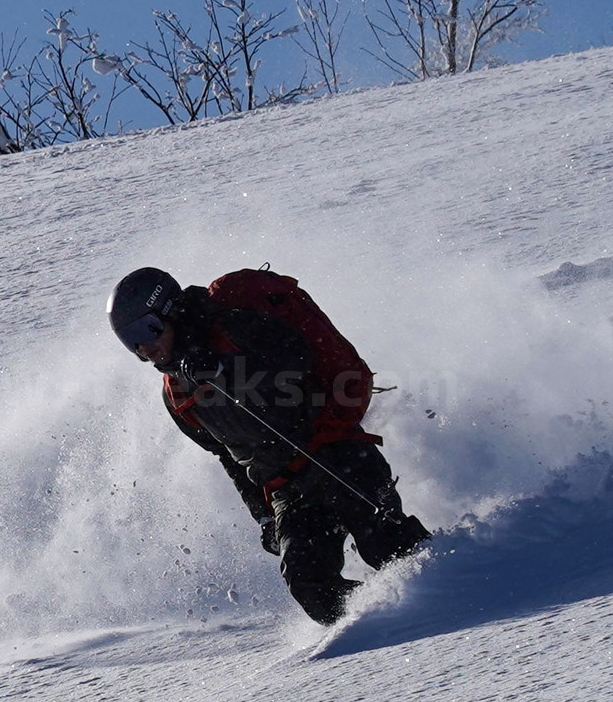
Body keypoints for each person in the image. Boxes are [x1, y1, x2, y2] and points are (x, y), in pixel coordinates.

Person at [107, 266, 429, 625]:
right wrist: (262, 515)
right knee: (309, 585)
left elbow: (295, 357)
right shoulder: (177, 396)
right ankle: (386, 626)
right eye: (130, 340)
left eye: (146, 329)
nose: (144, 347)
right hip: (289, 489)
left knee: (390, 545)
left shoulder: (232, 326)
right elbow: (228, 456)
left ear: (170, 311)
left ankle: (464, 583)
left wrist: (223, 367)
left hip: (336, 453)